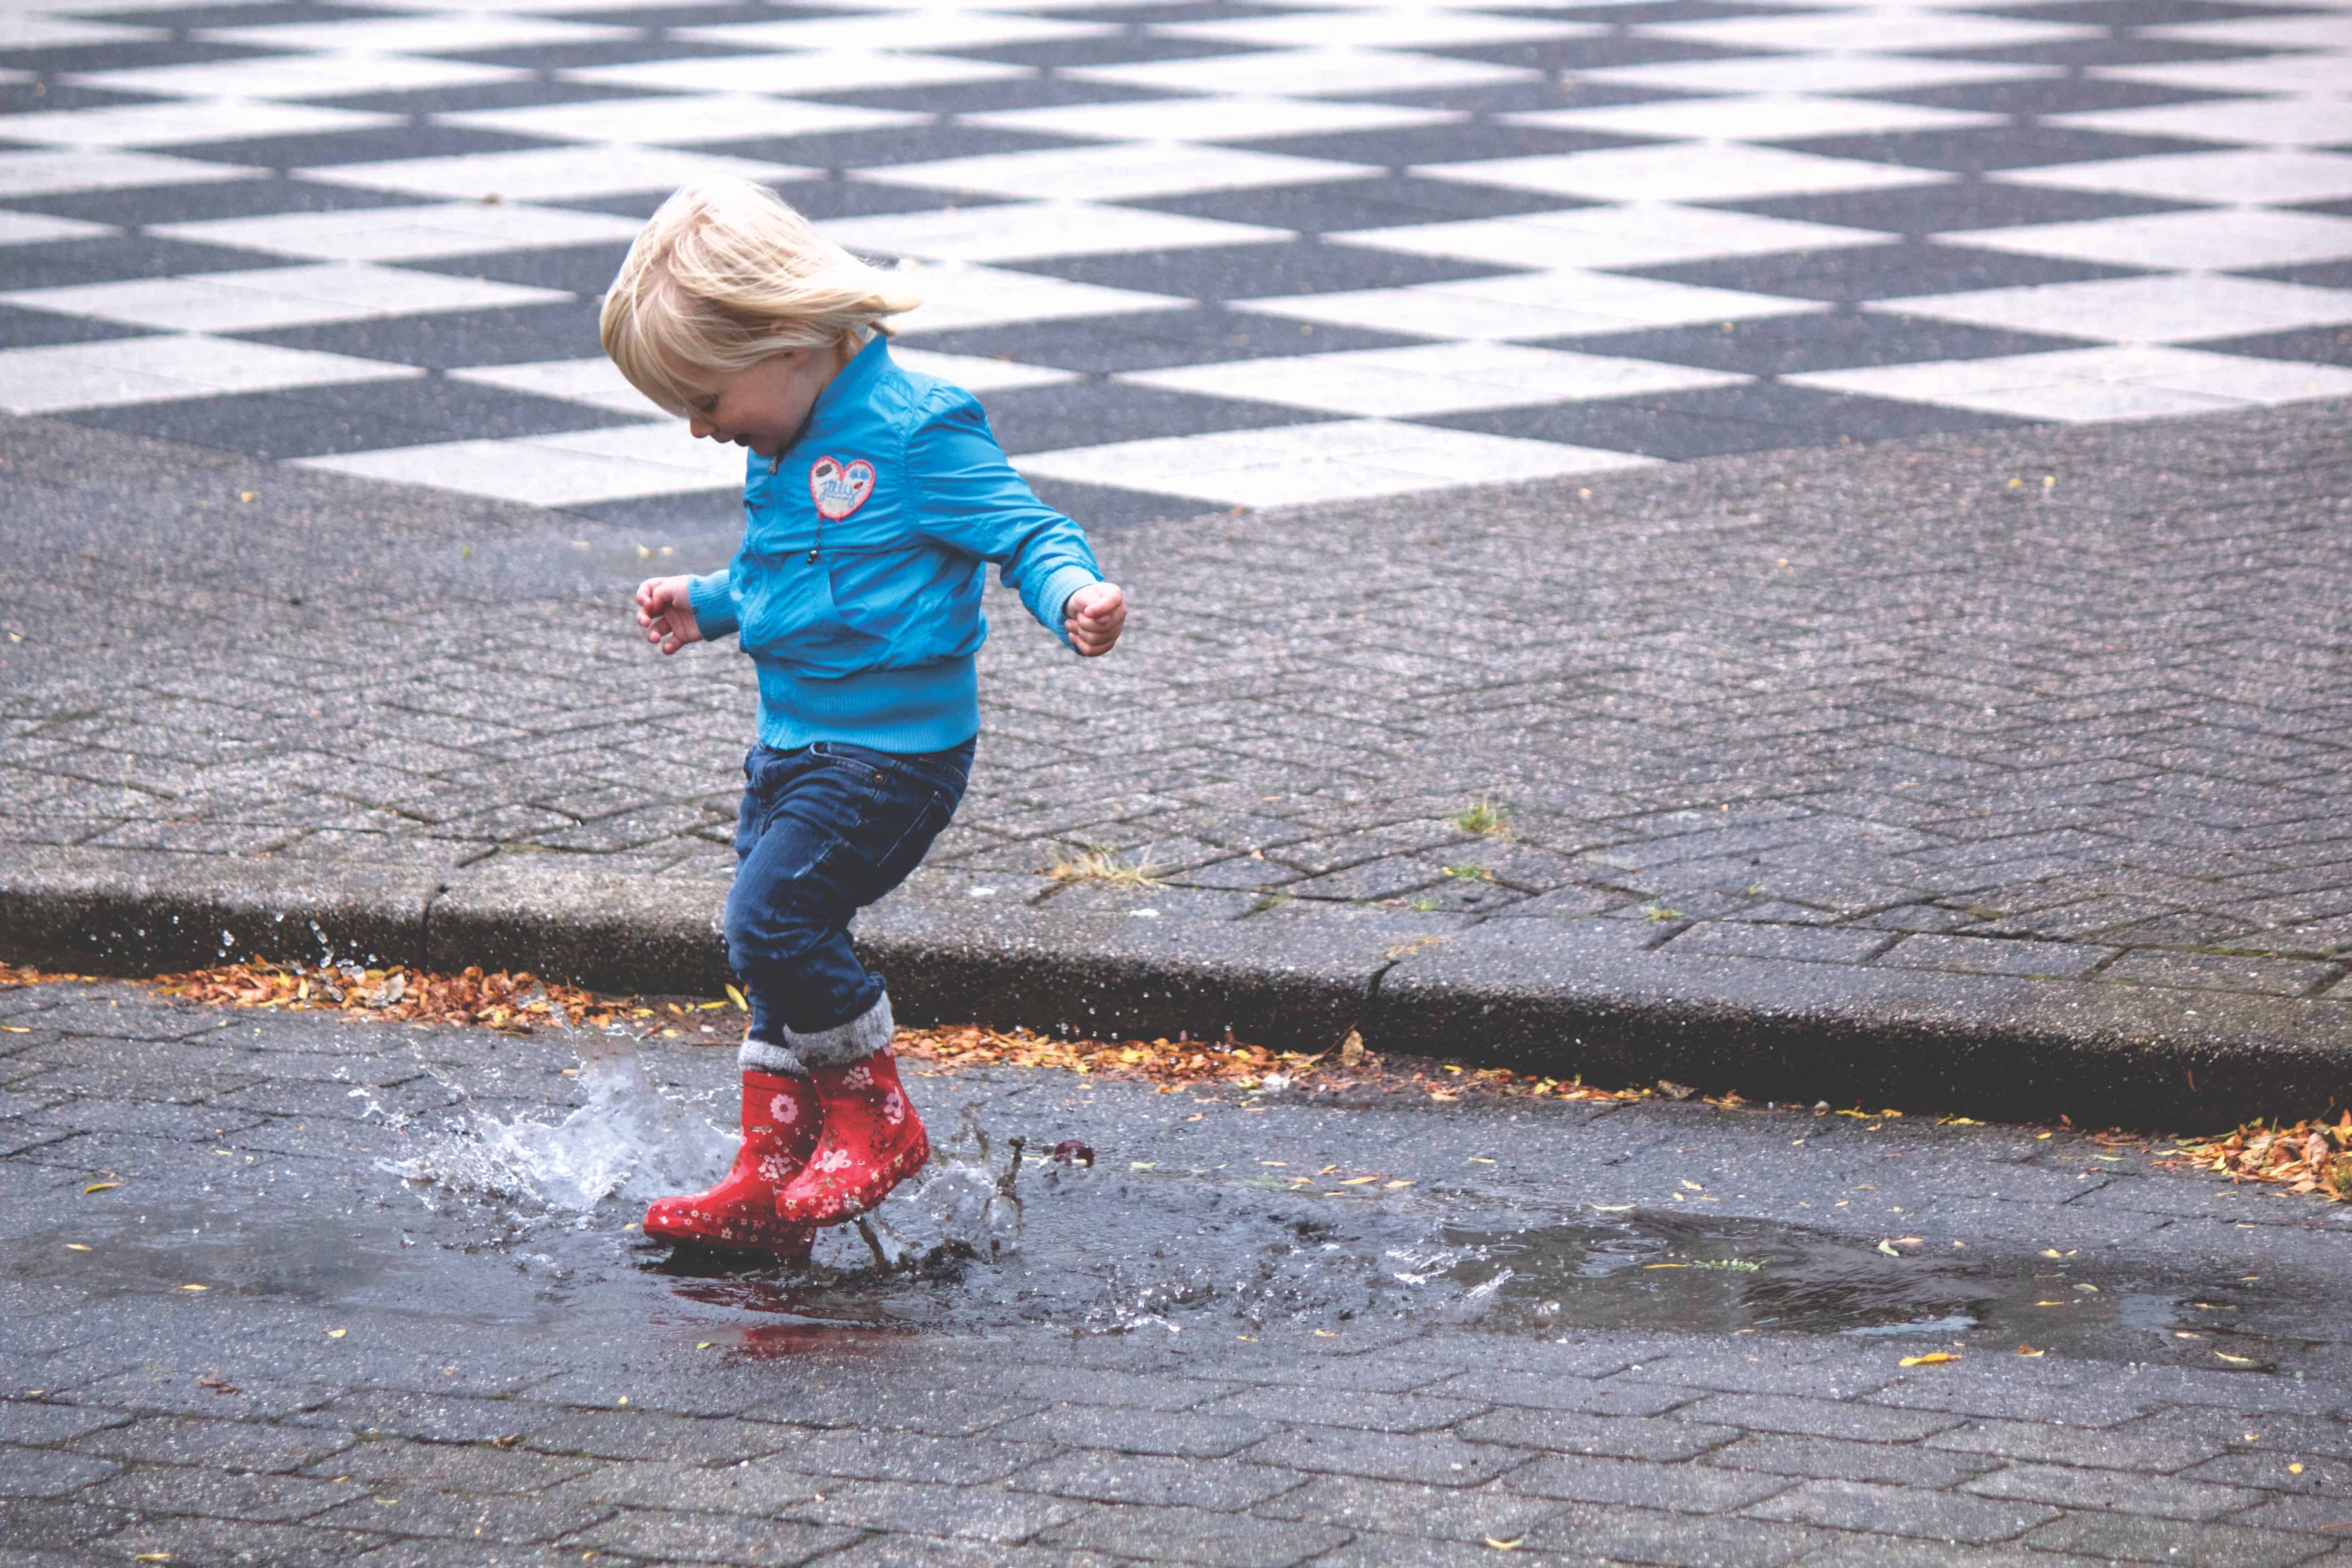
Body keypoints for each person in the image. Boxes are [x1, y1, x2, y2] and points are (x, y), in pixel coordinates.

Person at [599, 179, 1127, 1258]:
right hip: (790, 746)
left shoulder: (917, 429)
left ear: (789, 344)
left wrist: (1073, 592)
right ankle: (773, 1165)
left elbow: (1026, 531)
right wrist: (705, 603)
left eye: (705, 399)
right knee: (776, 950)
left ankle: (877, 1123)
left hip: (893, 758)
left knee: (771, 922)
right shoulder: (780, 445)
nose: (701, 430)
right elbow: (783, 575)